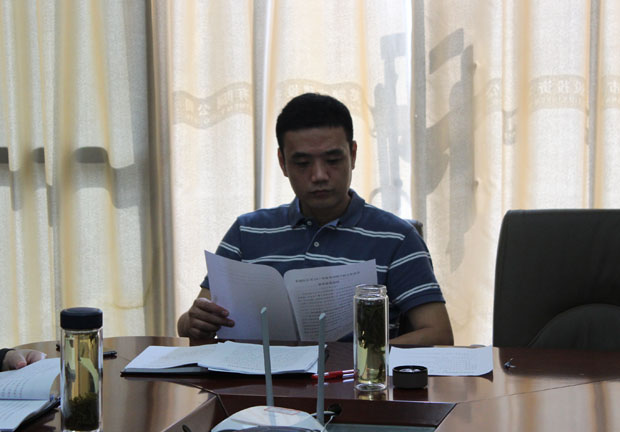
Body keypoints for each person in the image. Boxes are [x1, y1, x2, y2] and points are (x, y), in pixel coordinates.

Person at [178, 93, 454, 346]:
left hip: (353, 380)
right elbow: (190, 322)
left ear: (353, 155)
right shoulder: (247, 231)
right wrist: (195, 322)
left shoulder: (396, 237)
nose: (319, 175)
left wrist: (363, 354)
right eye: (302, 163)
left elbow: (438, 334)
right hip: (257, 380)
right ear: (283, 163)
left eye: (333, 160)